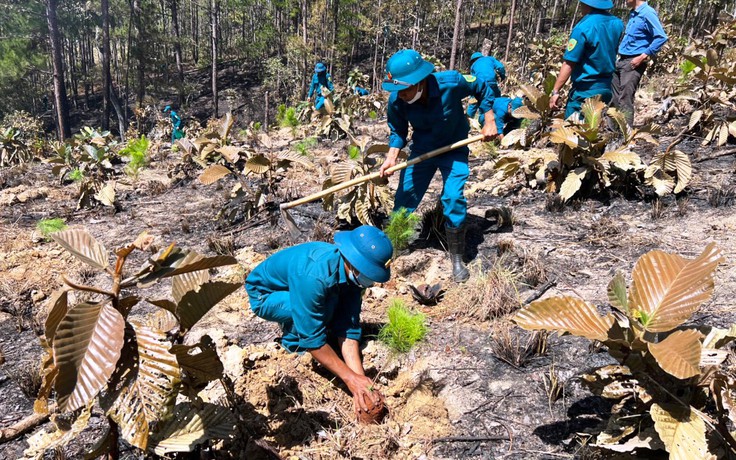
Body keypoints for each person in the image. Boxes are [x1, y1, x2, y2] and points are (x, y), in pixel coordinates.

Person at [245, 225, 392, 418]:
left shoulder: (353, 276)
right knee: (317, 314)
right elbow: (313, 339)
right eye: (368, 275)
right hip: (265, 295)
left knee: (330, 309)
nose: (370, 282)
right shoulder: (314, 276)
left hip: (303, 287)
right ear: (354, 263)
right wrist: (349, 379)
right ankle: (293, 346)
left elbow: (348, 326)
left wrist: (360, 379)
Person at [378, 49, 499, 282]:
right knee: (405, 197)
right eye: (397, 90)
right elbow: (398, 131)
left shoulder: (451, 82)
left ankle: (456, 258)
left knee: (453, 198)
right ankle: (393, 244)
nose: (400, 95)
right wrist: (391, 157)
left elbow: (482, 88)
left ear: (420, 81)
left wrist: (490, 120)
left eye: (404, 89)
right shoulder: (397, 101)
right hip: (423, 150)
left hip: (454, 148)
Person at [549, 0, 624, 119]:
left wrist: (556, 91)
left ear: (587, 4)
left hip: (585, 90)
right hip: (606, 87)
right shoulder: (617, 23)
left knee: (573, 130)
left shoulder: (583, 27)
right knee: (592, 127)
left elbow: (569, 63)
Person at [612, 0, 668, 126]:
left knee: (625, 97)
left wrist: (642, 56)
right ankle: (613, 131)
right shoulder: (634, 13)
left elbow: (661, 37)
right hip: (621, 59)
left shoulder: (647, 13)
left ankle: (624, 135)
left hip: (633, 62)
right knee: (614, 98)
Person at [466, 52, 506, 122]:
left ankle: (467, 119)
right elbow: (501, 67)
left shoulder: (473, 66)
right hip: (491, 83)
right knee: (497, 99)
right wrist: (502, 76)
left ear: (473, 60)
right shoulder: (490, 59)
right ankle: (500, 118)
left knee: (474, 101)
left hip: (479, 84)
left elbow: (472, 79)